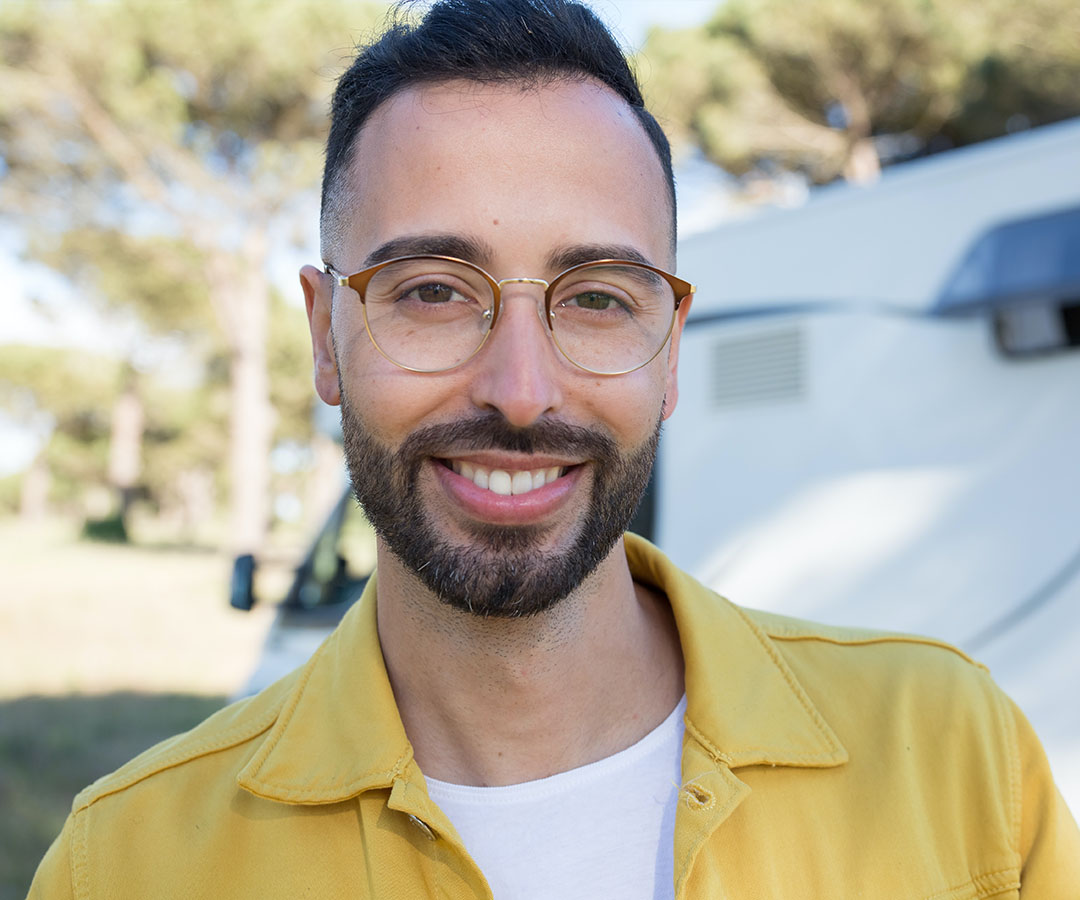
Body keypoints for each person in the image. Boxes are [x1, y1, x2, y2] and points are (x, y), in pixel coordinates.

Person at [27, 1, 1079, 897]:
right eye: (433, 291)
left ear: (670, 349)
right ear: (322, 336)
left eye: (596, 299)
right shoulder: (127, 859)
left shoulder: (956, 759)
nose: (522, 394)